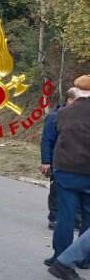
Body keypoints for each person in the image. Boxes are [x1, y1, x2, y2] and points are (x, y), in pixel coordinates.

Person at [47, 74, 90, 279]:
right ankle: (82, 257)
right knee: (88, 218)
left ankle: (60, 256)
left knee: (65, 217)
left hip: (65, 171)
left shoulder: (63, 113)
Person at [41, 88, 79, 230]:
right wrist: (46, 161)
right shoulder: (54, 117)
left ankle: (76, 220)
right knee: (57, 190)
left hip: (75, 162)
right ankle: (54, 218)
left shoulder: (80, 117)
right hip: (57, 161)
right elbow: (47, 140)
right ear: (69, 100)